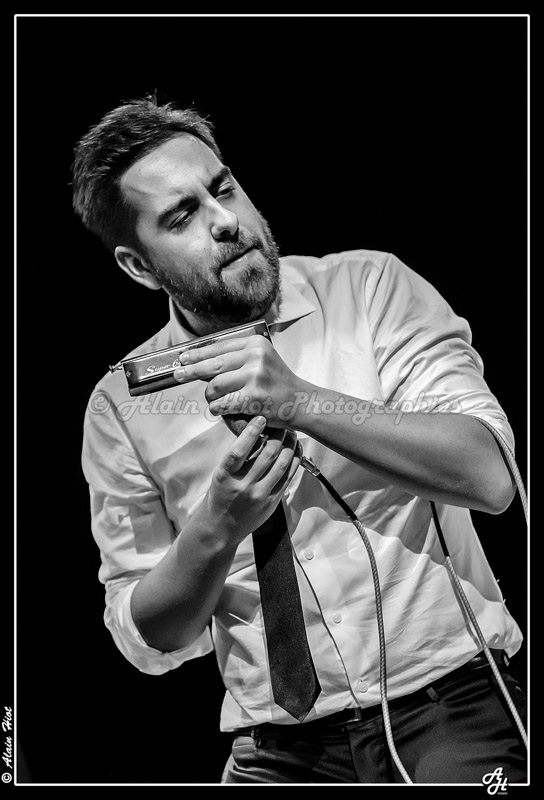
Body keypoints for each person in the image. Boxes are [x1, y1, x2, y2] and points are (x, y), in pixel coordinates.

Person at [73, 97, 527, 785]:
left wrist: (301, 400)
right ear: (139, 267)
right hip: (276, 752)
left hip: (450, 710)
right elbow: (150, 638)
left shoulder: (369, 288)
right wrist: (218, 525)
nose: (226, 221)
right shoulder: (121, 404)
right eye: (182, 216)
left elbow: (490, 476)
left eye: (223, 188)